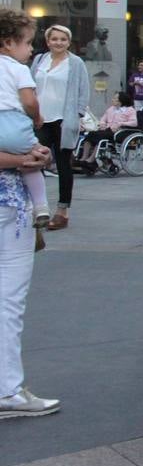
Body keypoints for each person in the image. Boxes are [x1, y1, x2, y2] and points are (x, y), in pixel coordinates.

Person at [0, 140, 58, 420]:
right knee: (9, 303)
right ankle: (7, 391)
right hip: (13, 207)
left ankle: (8, 389)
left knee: (9, 304)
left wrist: (36, 153)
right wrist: (25, 158)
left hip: (16, 209)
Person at [32, 23, 89, 231]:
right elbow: (30, 86)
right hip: (40, 119)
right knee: (34, 161)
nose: (58, 42)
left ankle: (62, 211)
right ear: (47, 41)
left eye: (63, 39)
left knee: (64, 165)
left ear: (69, 42)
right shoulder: (39, 59)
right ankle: (38, 207)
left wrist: (77, 115)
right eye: (54, 39)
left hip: (63, 120)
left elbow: (83, 91)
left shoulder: (76, 63)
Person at [0, 11, 49, 228]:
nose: (31, 49)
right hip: (14, 124)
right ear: (8, 43)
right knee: (33, 159)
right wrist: (37, 117)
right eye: (28, 43)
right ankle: (41, 206)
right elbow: (30, 101)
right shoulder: (19, 69)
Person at [75, 91, 138, 170]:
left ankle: (91, 159)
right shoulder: (111, 109)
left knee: (101, 138)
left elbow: (134, 122)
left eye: (115, 98)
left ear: (121, 101)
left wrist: (121, 123)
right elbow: (103, 119)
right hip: (107, 129)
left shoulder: (130, 110)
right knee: (90, 134)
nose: (113, 100)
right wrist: (102, 124)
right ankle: (84, 158)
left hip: (118, 132)